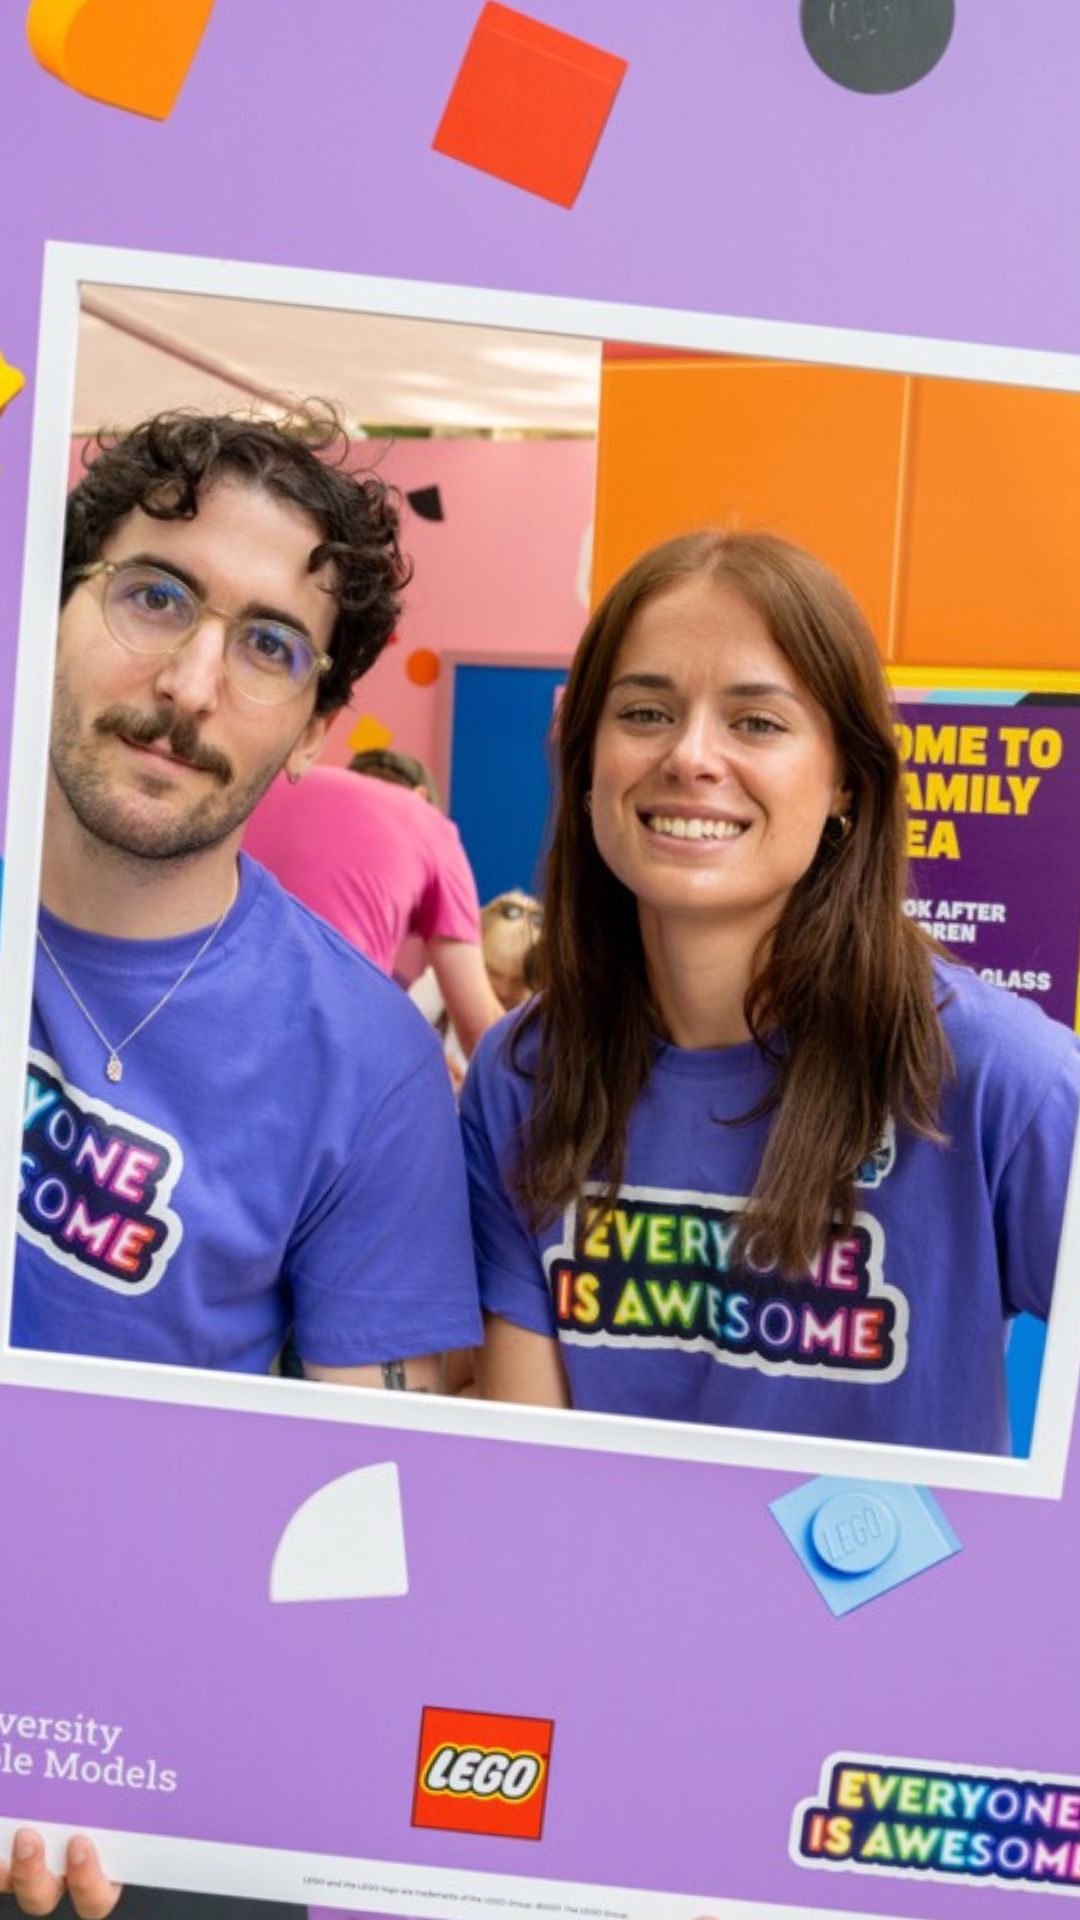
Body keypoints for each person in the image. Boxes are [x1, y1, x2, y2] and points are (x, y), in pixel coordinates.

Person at [9, 413, 485, 1912]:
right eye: (155, 595)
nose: (191, 688)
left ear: (314, 720)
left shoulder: (370, 1067)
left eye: (270, 646)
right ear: (58, 601)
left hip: (105, 1763)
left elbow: (357, 1514)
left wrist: (114, 1751)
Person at [462, 529, 1080, 1453]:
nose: (692, 758)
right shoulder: (521, 1074)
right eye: (644, 713)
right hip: (601, 1596)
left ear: (846, 785)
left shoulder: (1000, 1075)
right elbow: (523, 1473)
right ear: (587, 760)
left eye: (757, 722)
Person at [245, 756, 504, 1058]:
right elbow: (482, 1032)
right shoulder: (429, 824)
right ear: (421, 797)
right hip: (326, 1053)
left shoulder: (261, 787)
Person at [411, 889, 543, 1090]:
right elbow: (395, 1041)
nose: (505, 990)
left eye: (518, 981)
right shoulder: (437, 986)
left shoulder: (540, 1020)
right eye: (494, 973)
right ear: (472, 959)